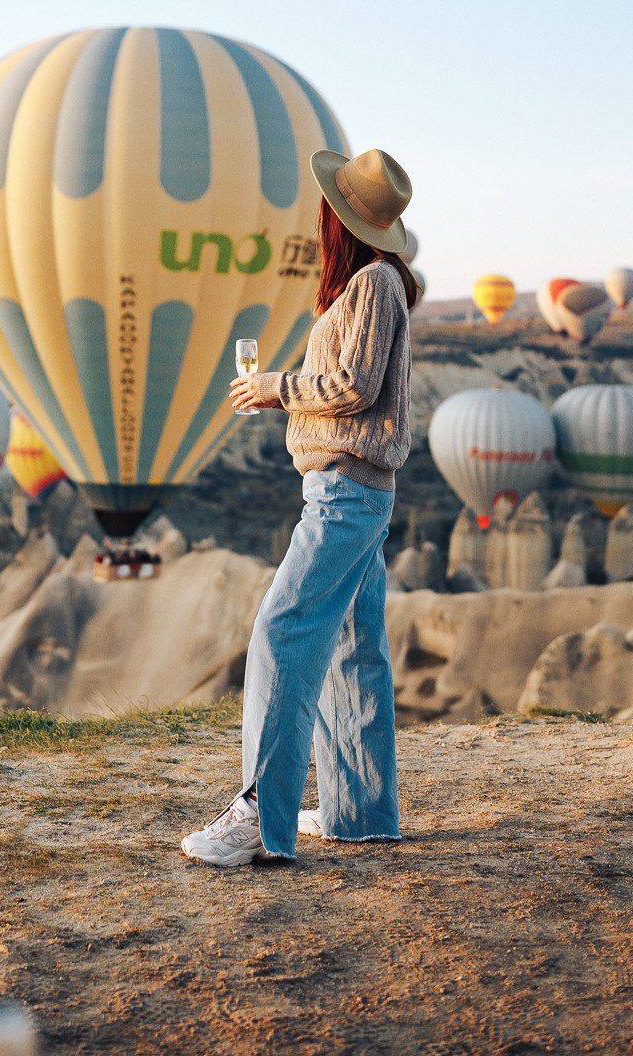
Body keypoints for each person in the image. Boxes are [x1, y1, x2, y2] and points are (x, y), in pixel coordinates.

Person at [181, 147, 417, 868]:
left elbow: (353, 385)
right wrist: (282, 391)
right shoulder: (369, 285)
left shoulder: (375, 283)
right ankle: (361, 812)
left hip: (346, 494)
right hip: (351, 489)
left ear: (339, 218)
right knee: (351, 650)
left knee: (282, 635)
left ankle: (257, 814)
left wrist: (278, 386)